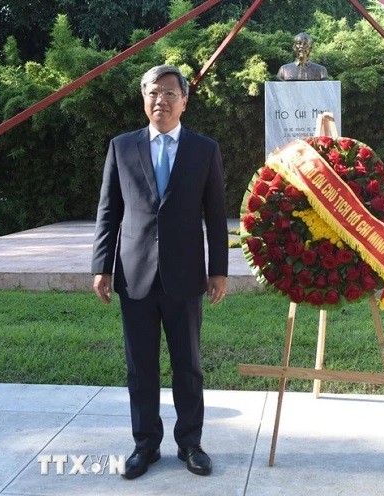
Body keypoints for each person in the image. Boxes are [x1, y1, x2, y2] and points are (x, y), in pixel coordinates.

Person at [91, 65, 229, 480]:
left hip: (186, 275)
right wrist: (101, 266)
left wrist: (218, 270)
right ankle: (144, 444)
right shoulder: (121, 146)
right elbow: (108, 211)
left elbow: (216, 215)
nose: (161, 101)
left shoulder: (204, 149)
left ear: (185, 100)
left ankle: (191, 443)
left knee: (188, 364)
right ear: (143, 98)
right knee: (141, 366)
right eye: (154, 92)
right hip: (133, 276)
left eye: (170, 93)